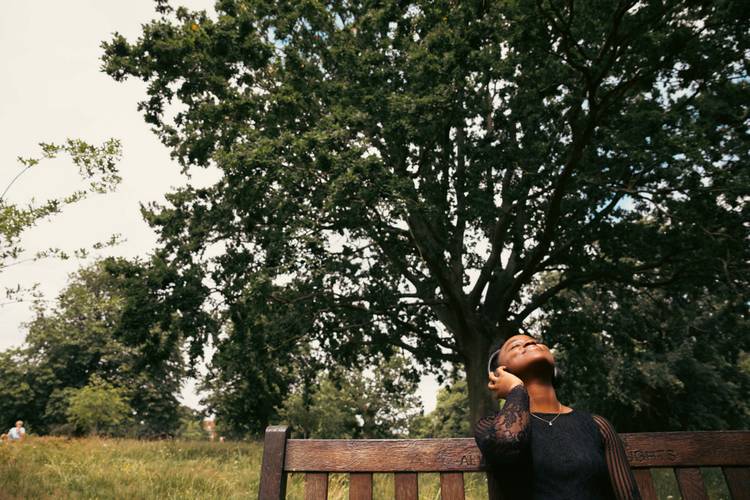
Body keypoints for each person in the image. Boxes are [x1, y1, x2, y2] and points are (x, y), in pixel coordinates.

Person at [474, 334, 641, 500]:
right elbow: (509, 443)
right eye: (515, 346)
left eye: (535, 341)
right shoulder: (490, 426)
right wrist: (516, 388)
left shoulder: (598, 425)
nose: (531, 342)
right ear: (501, 373)